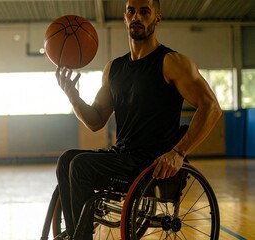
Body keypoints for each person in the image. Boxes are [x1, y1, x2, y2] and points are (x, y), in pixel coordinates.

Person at [54, 0, 222, 239]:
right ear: (124, 18)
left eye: (144, 12)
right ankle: (76, 234)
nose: (137, 17)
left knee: (80, 165)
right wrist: (73, 96)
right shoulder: (114, 69)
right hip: (123, 156)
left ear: (157, 18)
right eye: (131, 11)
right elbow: (95, 120)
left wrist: (178, 152)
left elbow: (212, 108)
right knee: (67, 160)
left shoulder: (172, 63)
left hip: (152, 162)